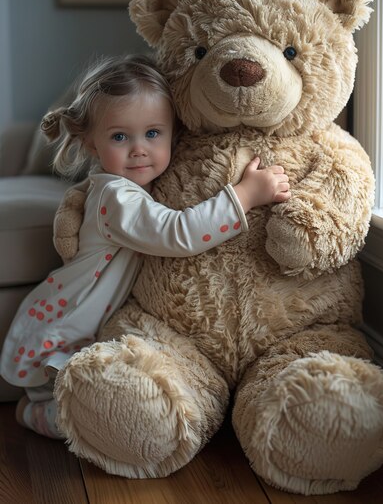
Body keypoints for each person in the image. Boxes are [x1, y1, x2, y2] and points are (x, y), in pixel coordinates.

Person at [0, 54, 291, 439]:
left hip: (83, 324)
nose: (139, 149)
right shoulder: (116, 198)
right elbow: (176, 233)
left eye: (153, 133)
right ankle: (33, 413)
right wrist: (244, 195)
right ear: (91, 143)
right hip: (65, 329)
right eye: (120, 137)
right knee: (84, 416)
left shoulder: (134, 187)